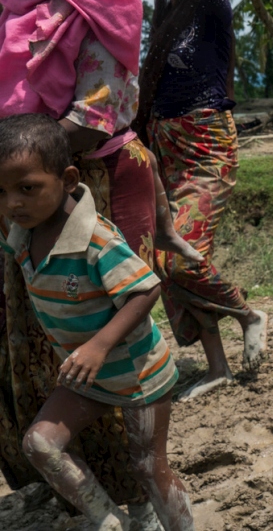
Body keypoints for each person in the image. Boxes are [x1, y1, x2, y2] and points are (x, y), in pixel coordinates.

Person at [0, 0, 179, 520]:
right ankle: (64, 488)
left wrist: (17, 160)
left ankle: (138, 488)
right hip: (17, 192)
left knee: (102, 324)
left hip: (79, 182)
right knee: (34, 337)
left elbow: (102, 111)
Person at [0, 114, 194, 531]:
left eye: (26, 188)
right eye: (1, 193)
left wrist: (97, 346)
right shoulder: (21, 232)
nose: (13, 203)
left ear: (68, 180)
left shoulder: (95, 239)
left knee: (149, 466)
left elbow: (145, 289)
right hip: (89, 380)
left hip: (139, 374)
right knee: (40, 445)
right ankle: (107, 520)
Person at [137, 0, 267, 401]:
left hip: (206, 148)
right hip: (166, 152)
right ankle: (217, 367)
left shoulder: (210, 7)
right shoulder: (163, 18)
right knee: (167, 265)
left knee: (177, 257)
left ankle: (247, 310)